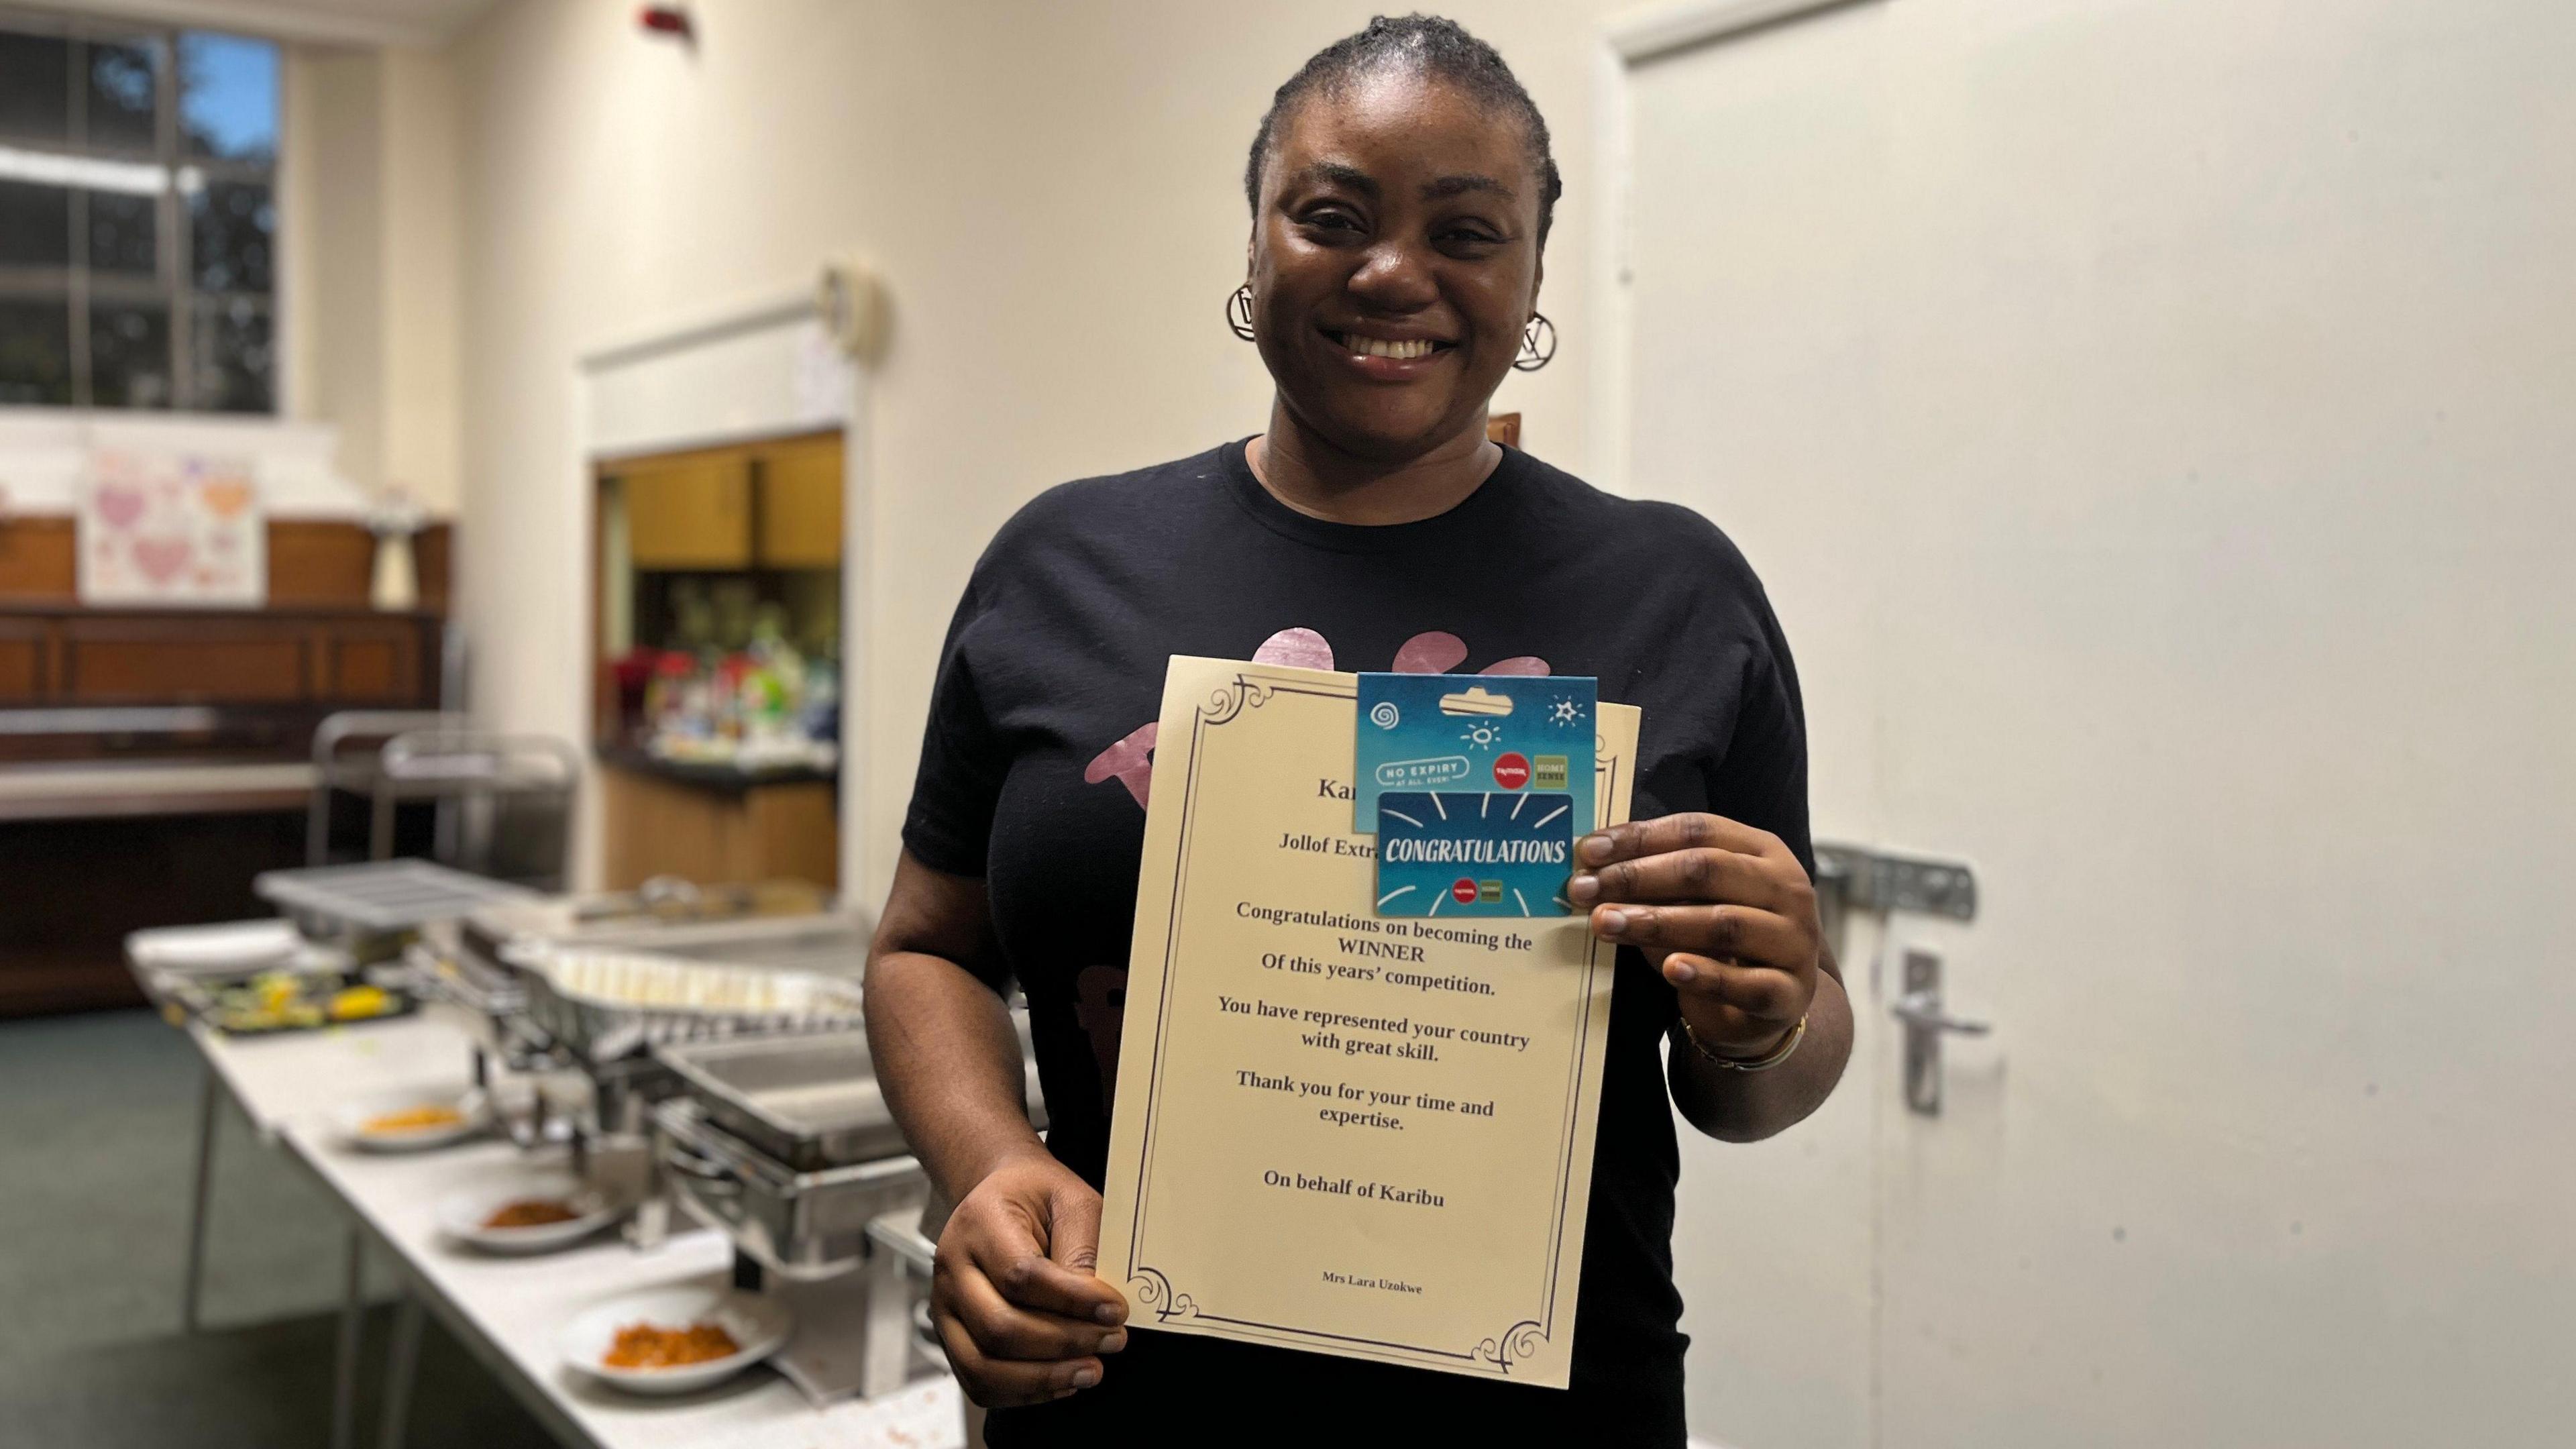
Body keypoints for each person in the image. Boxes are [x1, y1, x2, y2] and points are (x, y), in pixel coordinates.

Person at [864, 15, 1854, 1444]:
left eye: (1469, 229)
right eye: (1334, 215)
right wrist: (987, 1163)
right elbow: (923, 947)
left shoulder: (1675, 595)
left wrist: (1765, 1021)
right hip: (1111, 1393)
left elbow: (1766, 1073)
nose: (1396, 272)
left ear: (1529, 276)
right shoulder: (1062, 564)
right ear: (1256, 243)